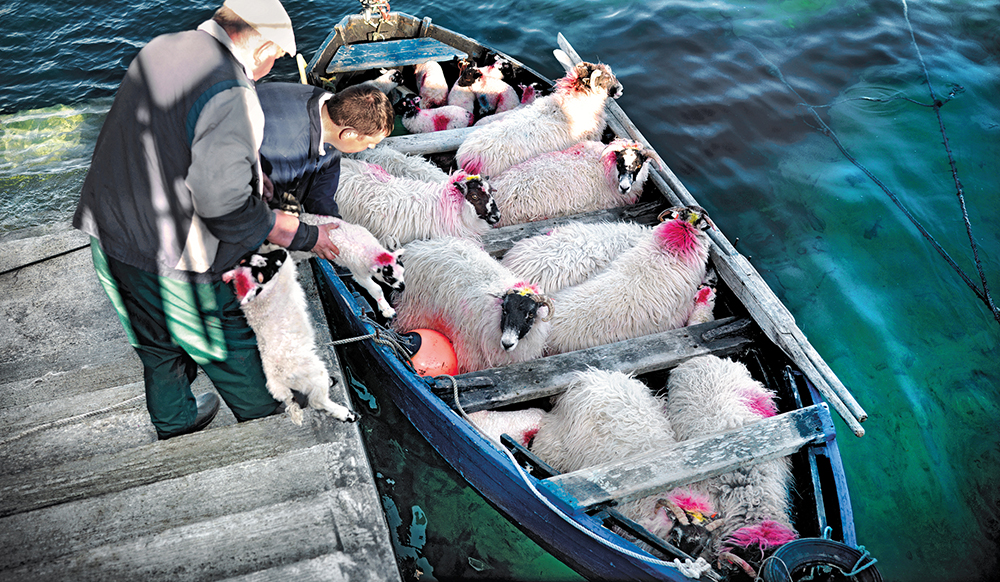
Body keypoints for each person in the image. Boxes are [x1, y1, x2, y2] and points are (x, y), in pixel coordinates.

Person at [73, 0, 341, 440]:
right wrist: (304, 233)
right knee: (225, 342)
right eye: (274, 57)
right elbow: (225, 207)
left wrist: (254, 175)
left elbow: (173, 135)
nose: (272, 68)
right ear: (261, 49)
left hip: (108, 231)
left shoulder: (162, 48)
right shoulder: (234, 94)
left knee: (157, 345)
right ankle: (271, 429)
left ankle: (175, 423)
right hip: (173, 255)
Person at [256, 81, 395, 217]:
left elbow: (322, 190)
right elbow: (268, 216)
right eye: (370, 142)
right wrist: (312, 236)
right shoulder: (286, 155)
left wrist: (336, 227)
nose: (372, 147)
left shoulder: (333, 112)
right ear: (348, 134)